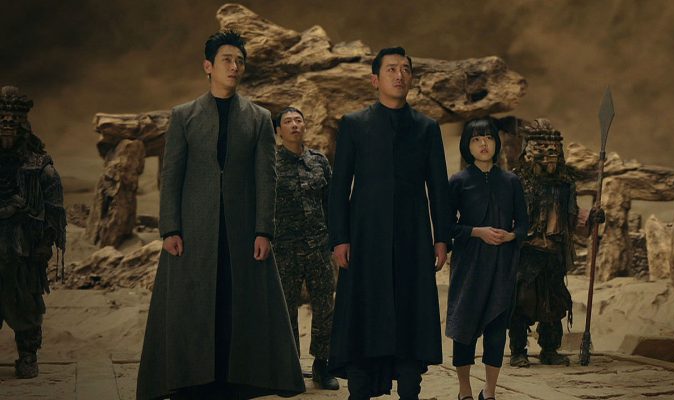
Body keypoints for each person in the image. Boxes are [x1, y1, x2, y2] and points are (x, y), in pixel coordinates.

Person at [136, 31, 305, 400]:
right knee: (192, 305)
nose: (234, 66)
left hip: (243, 231)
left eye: (240, 61)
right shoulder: (184, 116)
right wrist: (170, 228)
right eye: (227, 59)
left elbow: (266, 179)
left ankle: (240, 382)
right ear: (208, 66)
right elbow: (171, 175)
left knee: (238, 303)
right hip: (192, 231)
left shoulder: (259, 118)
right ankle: (191, 381)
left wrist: (264, 230)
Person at [328, 46, 450, 399]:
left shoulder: (426, 128)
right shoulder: (354, 124)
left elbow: (438, 187)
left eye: (406, 69)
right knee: (363, 311)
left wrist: (441, 238)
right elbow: (340, 187)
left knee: (411, 312)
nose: (400, 75)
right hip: (364, 237)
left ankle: (410, 388)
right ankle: (360, 388)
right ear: (375, 80)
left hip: (413, 237)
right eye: (392, 69)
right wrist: (339, 238)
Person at [508, 118, 605, 368]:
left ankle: (550, 349)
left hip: (553, 253)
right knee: (520, 302)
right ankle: (518, 351)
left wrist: (591, 218)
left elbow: (571, 217)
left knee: (554, 302)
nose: (548, 153)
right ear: (529, 150)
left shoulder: (564, 184)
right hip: (525, 253)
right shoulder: (516, 181)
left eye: (553, 149)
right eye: (542, 148)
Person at [447, 119, 528, 400]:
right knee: (464, 327)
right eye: (475, 139)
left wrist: (510, 236)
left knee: (496, 329)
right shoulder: (458, 181)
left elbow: (523, 224)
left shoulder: (511, 181)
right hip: (469, 265)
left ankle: (490, 391)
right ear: (467, 146)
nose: (483, 144)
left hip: (502, 264)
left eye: (489, 138)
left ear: (497, 143)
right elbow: (447, 227)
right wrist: (477, 232)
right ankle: (465, 391)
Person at [0, 85, 66, 379]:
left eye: (12, 117)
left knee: (25, 301)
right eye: (2, 116)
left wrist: (45, 243)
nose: (6, 123)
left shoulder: (40, 167)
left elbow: (53, 211)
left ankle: (28, 355)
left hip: (22, 248)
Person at [272, 106, 339, 390]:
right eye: (288, 121)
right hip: (283, 249)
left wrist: (336, 241)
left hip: (318, 247)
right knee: (285, 309)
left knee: (325, 308)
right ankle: (288, 368)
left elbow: (331, 203)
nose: (294, 125)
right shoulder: (270, 163)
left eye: (298, 120)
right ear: (278, 131)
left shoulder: (319, 161)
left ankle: (322, 365)